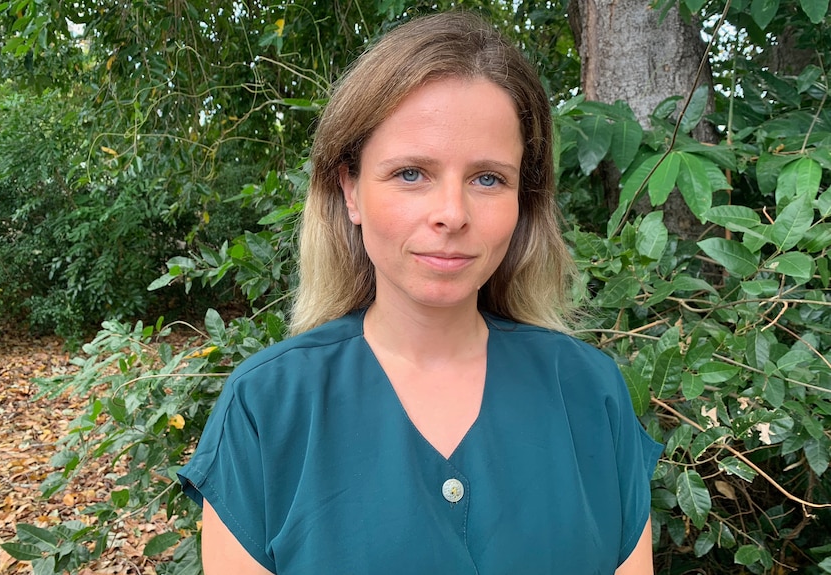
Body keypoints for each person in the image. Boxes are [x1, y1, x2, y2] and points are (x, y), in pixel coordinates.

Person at [178, 11, 663, 575]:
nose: (452, 215)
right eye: (411, 173)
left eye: (488, 178)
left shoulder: (590, 393)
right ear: (350, 190)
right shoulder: (267, 407)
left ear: (522, 200)